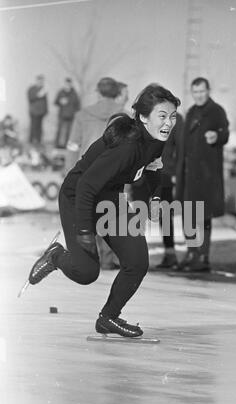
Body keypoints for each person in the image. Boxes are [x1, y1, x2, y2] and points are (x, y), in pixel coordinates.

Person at [27, 84, 180, 338]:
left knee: (137, 261)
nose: (169, 123)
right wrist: (86, 232)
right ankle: (56, 257)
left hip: (110, 198)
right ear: (143, 117)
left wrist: (154, 197)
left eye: (172, 116)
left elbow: (154, 169)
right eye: (162, 116)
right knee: (86, 272)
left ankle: (109, 318)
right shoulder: (128, 146)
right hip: (78, 197)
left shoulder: (156, 139)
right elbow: (86, 186)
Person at [66, 77, 125, 269]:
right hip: (114, 171)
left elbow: (73, 146)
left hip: (87, 170)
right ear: (117, 93)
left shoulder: (82, 115)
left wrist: (70, 171)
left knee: (88, 211)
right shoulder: (124, 116)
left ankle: (92, 257)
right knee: (111, 212)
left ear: (98, 93)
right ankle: (110, 257)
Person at [176, 77, 229, 272]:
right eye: (195, 92)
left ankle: (203, 256)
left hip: (207, 174)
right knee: (188, 215)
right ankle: (191, 253)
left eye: (201, 92)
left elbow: (225, 133)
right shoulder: (190, 112)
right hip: (189, 174)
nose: (198, 95)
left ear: (208, 91)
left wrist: (217, 136)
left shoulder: (216, 111)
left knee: (204, 216)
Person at [156, 113, 184, 268]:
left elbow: (180, 147)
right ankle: (132, 254)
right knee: (138, 213)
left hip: (164, 172)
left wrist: (176, 172)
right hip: (143, 172)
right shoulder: (144, 114)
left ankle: (170, 254)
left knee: (164, 214)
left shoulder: (175, 118)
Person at [54, 78, 80, 148]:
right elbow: (55, 102)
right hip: (62, 114)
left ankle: (66, 145)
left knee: (69, 132)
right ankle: (57, 145)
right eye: (66, 84)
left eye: (69, 84)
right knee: (59, 130)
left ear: (71, 84)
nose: (67, 86)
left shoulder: (74, 93)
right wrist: (60, 101)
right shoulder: (61, 92)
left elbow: (77, 105)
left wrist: (76, 114)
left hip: (71, 115)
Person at [27, 75, 48, 145]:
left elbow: (45, 101)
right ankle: (31, 141)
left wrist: (46, 110)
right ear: (37, 81)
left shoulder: (43, 90)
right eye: (40, 81)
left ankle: (38, 141)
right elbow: (30, 98)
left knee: (39, 127)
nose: (41, 82)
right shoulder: (32, 89)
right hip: (34, 112)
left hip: (41, 112)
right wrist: (38, 95)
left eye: (42, 81)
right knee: (33, 127)